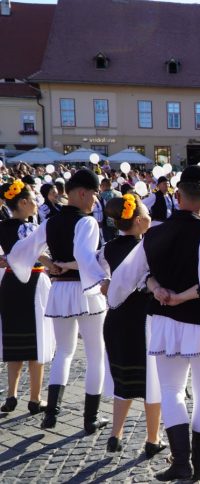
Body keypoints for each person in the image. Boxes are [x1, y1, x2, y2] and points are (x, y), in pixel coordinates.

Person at [107, 165, 200, 481]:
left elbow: (124, 277)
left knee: (172, 390)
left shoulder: (155, 234)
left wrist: (151, 290)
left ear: (177, 196)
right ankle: (199, 460)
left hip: (166, 322)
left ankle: (181, 461)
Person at [7, 169, 109, 433]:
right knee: (95, 355)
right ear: (83, 193)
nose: (96, 200)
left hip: (61, 291)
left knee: (64, 352)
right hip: (85, 291)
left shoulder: (50, 222)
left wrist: (52, 263)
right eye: (95, 194)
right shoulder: (87, 222)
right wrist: (101, 278)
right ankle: (91, 417)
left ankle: (51, 413)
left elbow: (23, 250)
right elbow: (85, 257)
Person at [94, 194, 167, 457]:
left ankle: (116, 434)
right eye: (147, 213)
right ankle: (152, 438)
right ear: (138, 220)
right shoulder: (148, 246)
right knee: (152, 380)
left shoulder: (110, 247)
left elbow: (92, 265)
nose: (150, 217)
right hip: (144, 318)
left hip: (117, 318)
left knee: (123, 379)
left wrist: (105, 284)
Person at [0, 180, 55, 415]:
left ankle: (11, 394)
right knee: (37, 340)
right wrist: (55, 265)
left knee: (15, 341)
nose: (36, 204)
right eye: (33, 199)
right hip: (33, 283)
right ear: (22, 202)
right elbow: (40, 255)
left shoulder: (1, 226)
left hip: (10, 284)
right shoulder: (31, 228)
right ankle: (35, 398)